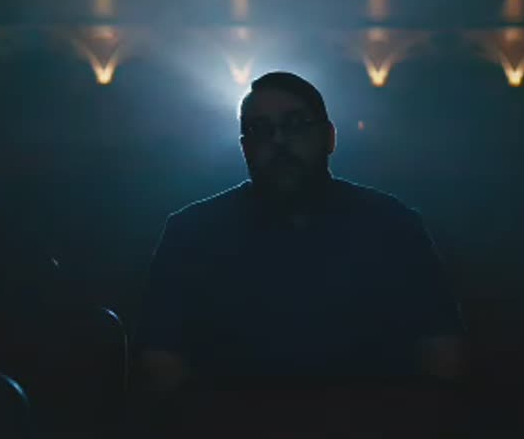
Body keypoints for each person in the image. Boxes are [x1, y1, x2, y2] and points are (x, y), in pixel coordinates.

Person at [131, 71, 463, 437]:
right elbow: (160, 362)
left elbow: (441, 353)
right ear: (245, 147)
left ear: (329, 136)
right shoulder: (192, 233)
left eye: (296, 124)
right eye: (261, 130)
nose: (279, 140)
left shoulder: (392, 226)